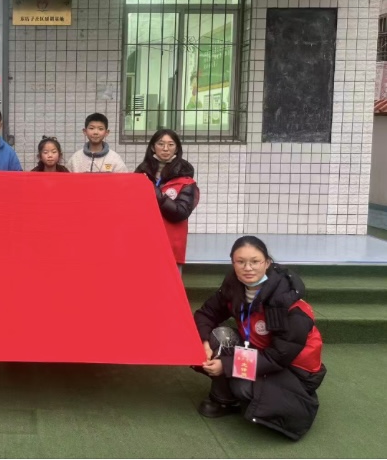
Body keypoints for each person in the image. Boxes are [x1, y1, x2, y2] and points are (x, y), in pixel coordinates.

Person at [193, 236, 326, 441]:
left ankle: (258, 395)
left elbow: (277, 358)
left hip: (294, 371)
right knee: (217, 337)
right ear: (233, 263)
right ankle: (224, 400)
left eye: (255, 261)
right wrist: (203, 343)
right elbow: (206, 314)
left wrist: (226, 366)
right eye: (240, 262)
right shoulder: (234, 288)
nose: (248, 268)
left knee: (242, 385)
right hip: (259, 351)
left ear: (267, 263)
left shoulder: (290, 307)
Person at [134, 129, 199, 269]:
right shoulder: (141, 173)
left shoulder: (186, 180)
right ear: (153, 147)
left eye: (170, 144)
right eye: (160, 144)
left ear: (177, 148)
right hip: (144, 242)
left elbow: (180, 212)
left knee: (170, 283)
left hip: (171, 246)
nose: (165, 148)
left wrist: (153, 191)